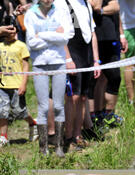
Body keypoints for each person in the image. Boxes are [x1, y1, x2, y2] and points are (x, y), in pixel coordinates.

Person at [24, 0, 73, 157]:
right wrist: (55, 35)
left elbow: (65, 38)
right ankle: (43, 148)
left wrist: (43, 35)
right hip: (39, 63)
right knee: (43, 107)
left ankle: (59, 145)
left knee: (59, 105)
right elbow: (31, 42)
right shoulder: (31, 14)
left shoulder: (60, 11)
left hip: (59, 62)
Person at [62, 0, 101, 151]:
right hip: (72, 51)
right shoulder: (63, 3)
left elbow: (92, 33)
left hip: (87, 54)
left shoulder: (86, 4)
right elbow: (62, 33)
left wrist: (96, 61)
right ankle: (68, 137)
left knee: (83, 96)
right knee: (73, 97)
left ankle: (78, 135)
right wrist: (67, 59)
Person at [86, 0, 127, 132]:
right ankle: (93, 118)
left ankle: (106, 114)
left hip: (111, 35)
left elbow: (117, 8)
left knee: (113, 77)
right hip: (95, 36)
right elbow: (96, 6)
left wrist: (121, 34)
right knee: (94, 79)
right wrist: (106, 8)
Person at [0, 15, 37, 148]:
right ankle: (3, 137)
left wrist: (23, 83)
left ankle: (33, 123)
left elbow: (26, 66)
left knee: (19, 111)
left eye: (12, 29)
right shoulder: (0, 45)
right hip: (2, 84)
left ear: (16, 31)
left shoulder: (21, 46)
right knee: (2, 111)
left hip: (16, 84)